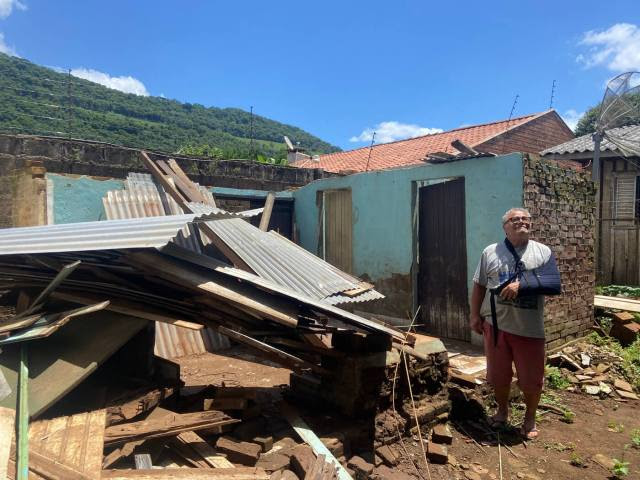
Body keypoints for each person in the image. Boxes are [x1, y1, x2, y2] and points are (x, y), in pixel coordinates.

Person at [470, 207, 552, 440]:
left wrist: (522, 286)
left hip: (529, 329)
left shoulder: (543, 252)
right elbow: (479, 286)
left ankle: (530, 417)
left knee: (531, 379)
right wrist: (474, 315)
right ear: (505, 226)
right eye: (515, 219)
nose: (521, 222)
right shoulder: (490, 252)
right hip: (496, 327)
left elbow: (553, 284)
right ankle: (502, 411)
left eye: (525, 219)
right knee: (498, 376)